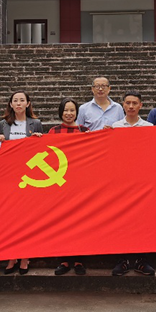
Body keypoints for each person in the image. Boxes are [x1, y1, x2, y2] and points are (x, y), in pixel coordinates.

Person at [0, 90, 44, 274]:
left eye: (22, 100)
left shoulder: (36, 124)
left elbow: (42, 150)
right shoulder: (3, 125)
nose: (18, 103)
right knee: (10, 217)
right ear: (10, 104)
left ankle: (25, 256)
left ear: (28, 103)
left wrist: (39, 140)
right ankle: (11, 255)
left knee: (27, 218)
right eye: (15, 100)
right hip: (9, 178)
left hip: (30, 178)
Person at [111, 91, 156, 276]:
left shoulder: (149, 126)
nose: (130, 106)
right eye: (127, 103)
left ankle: (141, 260)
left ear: (141, 106)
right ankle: (122, 260)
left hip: (142, 180)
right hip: (120, 180)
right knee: (121, 221)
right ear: (122, 105)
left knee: (142, 221)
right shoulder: (114, 127)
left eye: (134, 103)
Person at [49, 98, 90, 275]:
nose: (69, 113)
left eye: (72, 110)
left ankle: (80, 260)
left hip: (80, 183)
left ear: (77, 112)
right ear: (60, 112)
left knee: (81, 221)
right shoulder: (53, 131)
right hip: (60, 184)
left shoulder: (85, 131)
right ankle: (64, 260)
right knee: (61, 221)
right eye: (65, 110)